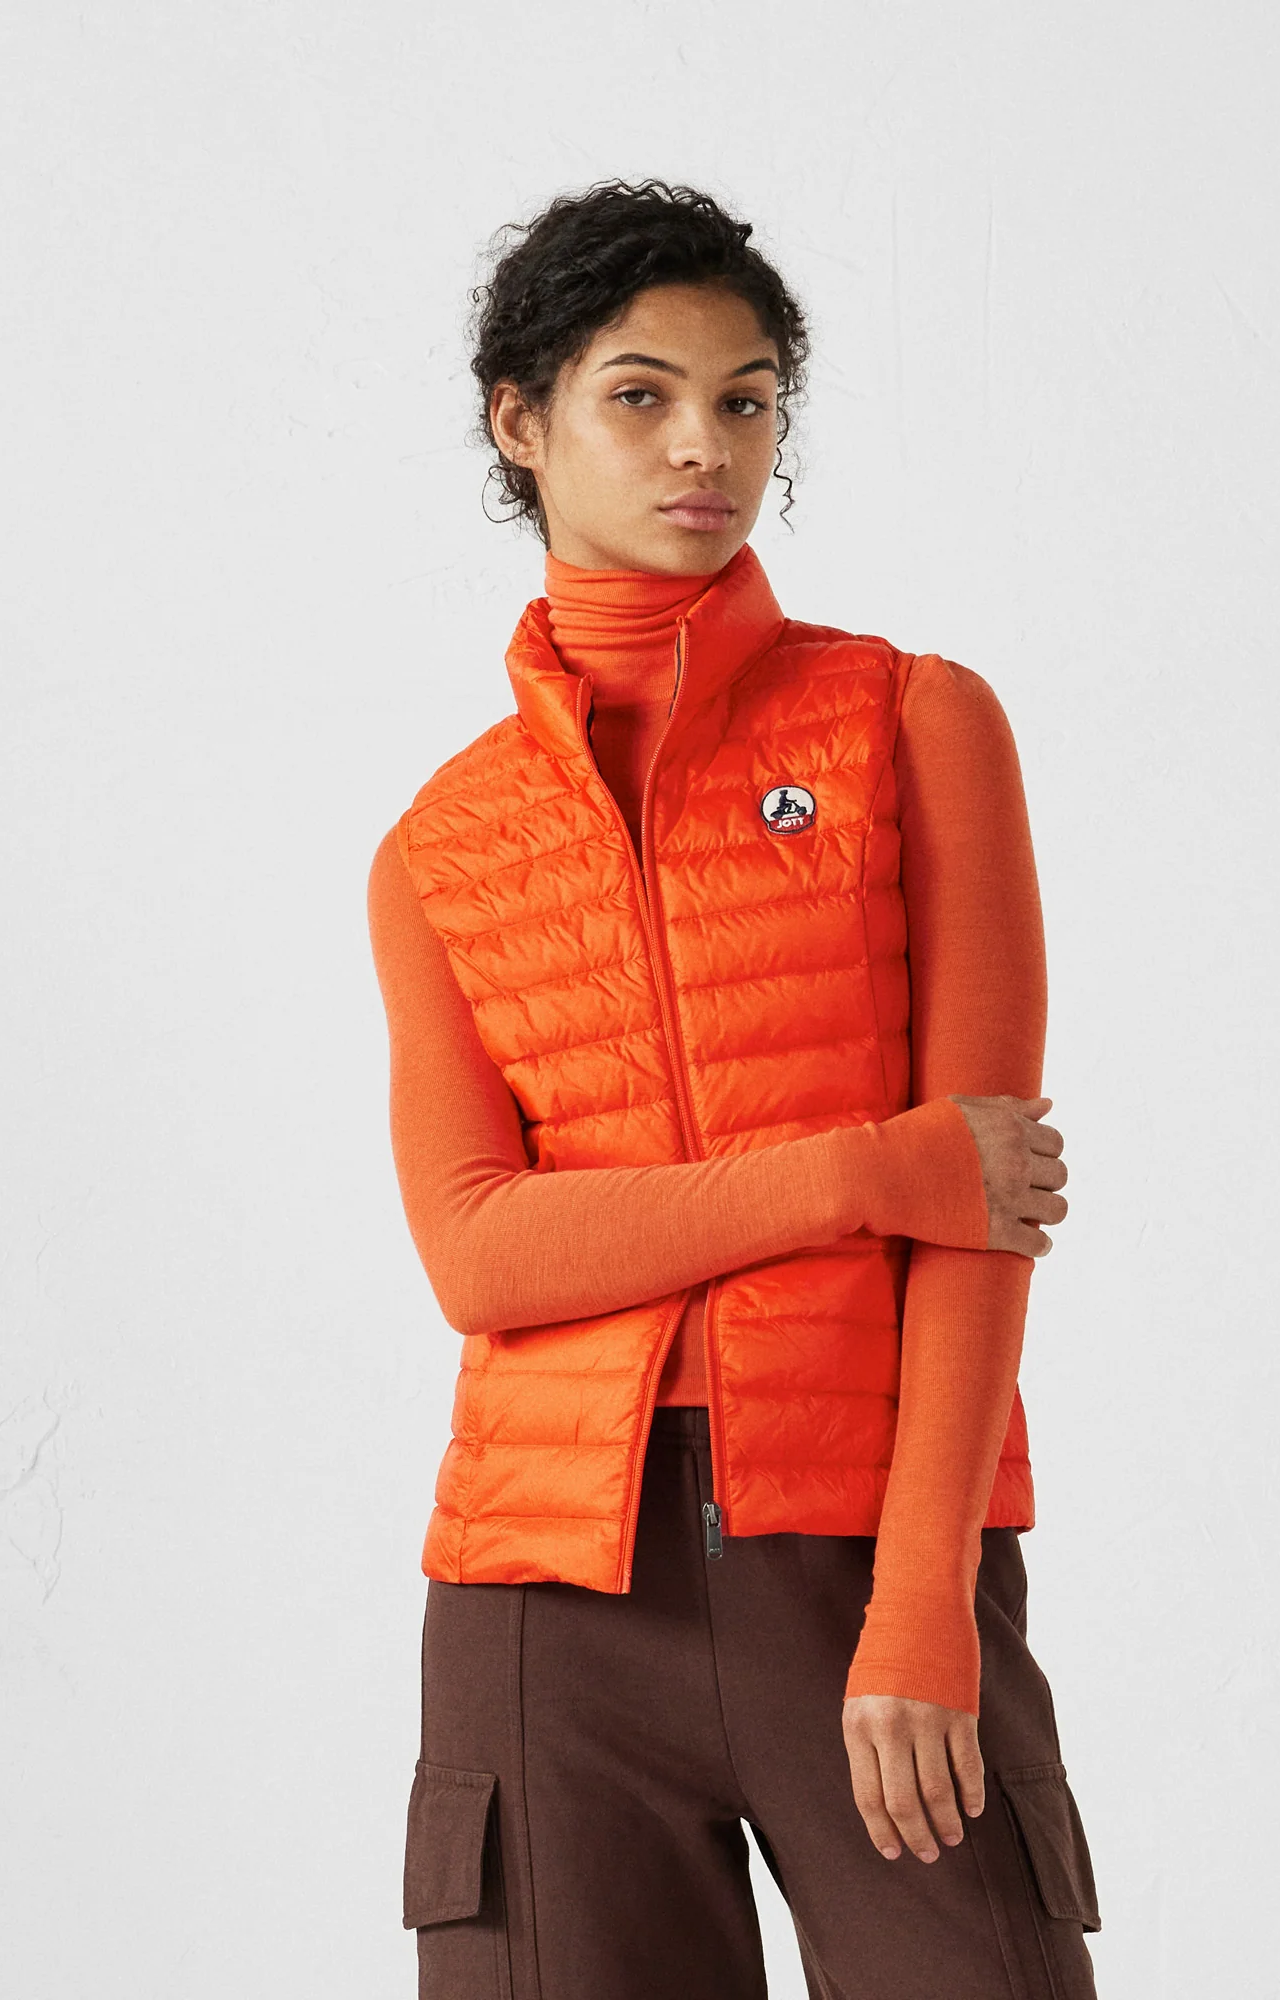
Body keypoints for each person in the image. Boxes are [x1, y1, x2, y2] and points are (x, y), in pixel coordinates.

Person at [367, 178, 1102, 2000]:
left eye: (747, 398)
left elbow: (983, 1204)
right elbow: (479, 1256)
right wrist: (860, 1172)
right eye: (641, 395)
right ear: (520, 422)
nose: (706, 445)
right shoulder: (442, 845)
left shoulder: (908, 722)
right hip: (543, 1604)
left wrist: (920, 1605)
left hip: (858, 1558)